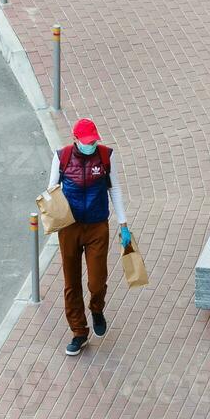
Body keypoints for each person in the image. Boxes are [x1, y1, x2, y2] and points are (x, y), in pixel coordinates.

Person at [49, 118, 131, 355]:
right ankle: (79, 332)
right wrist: (54, 214)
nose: (91, 145)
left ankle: (97, 308)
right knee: (71, 282)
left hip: (97, 226)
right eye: (86, 142)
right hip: (70, 227)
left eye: (93, 141)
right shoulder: (62, 157)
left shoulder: (106, 156)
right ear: (75, 139)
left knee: (97, 279)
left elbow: (114, 188)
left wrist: (123, 223)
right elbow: (52, 189)